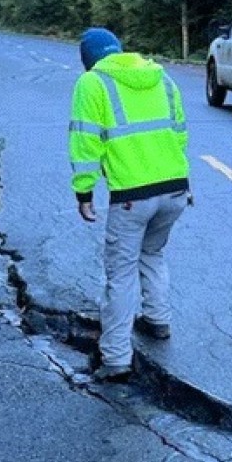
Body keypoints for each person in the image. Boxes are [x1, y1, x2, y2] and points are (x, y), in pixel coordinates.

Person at [69, 28, 192, 383]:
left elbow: (85, 142)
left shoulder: (92, 83)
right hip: (174, 190)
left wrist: (84, 194)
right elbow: (180, 135)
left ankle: (116, 358)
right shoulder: (162, 77)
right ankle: (157, 320)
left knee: (120, 274)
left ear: (88, 59)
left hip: (131, 198)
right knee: (152, 253)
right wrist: (184, 182)